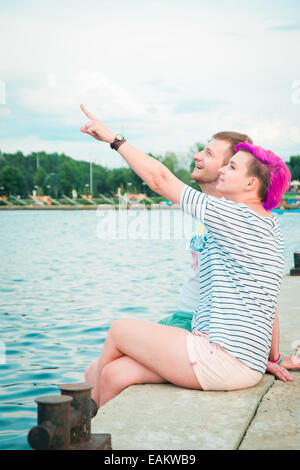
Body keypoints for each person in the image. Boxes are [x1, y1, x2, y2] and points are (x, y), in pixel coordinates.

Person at [80, 105, 296, 407]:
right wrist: (269, 356)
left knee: (119, 329)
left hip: (221, 358)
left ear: (251, 184)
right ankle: (103, 430)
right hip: (235, 360)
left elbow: (160, 180)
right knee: (115, 374)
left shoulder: (235, 216)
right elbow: (267, 299)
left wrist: (112, 139)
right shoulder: (266, 225)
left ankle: (84, 424)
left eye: (231, 167)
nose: (221, 170)